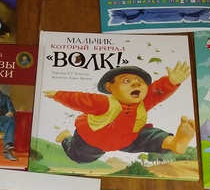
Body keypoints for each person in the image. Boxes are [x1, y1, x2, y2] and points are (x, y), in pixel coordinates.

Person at [45, 63, 195, 164]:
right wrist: (58, 95)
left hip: (128, 139)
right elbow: (80, 99)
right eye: (127, 81)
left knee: (150, 136)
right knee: (80, 157)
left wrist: (171, 82)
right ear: (109, 87)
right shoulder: (104, 103)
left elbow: (157, 91)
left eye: (139, 81)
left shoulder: (143, 102)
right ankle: (65, 137)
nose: (136, 83)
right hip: (93, 141)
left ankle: (174, 143)